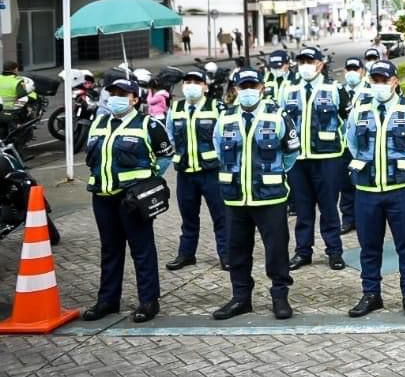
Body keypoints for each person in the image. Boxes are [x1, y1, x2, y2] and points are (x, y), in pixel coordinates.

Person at [81, 78, 175, 323]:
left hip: (132, 199)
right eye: (113, 93)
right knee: (110, 249)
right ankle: (108, 300)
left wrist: (148, 185)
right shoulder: (99, 123)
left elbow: (166, 156)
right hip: (102, 196)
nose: (116, 98)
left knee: (142, 250)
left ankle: (148, 301)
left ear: (135, 98)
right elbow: (92, 156)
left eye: (123, 93)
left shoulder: (149, 125)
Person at [211, 68, 300, 320]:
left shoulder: (278, 116)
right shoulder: (225, 118)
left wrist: (275, 172)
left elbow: (291, 152)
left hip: (270, 196)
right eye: (243, 86)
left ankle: (280, 296)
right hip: (236, 196)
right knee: (237, 250)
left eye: (253, 86)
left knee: (276, 250)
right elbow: (220, 150)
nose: (248, 91)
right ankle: (241, 298)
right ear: (236, 90)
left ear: (261, 87)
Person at [346, 61, 405, 318]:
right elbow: (350, 142)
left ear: (395, 81)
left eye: (384, 80)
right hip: (367, 190)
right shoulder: (358, 110)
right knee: (369, 246)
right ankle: (371, 294)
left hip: (402, 189)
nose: (379, 85)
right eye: (375, 80)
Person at [279, 46, 350, 271]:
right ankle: (303, 252)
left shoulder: (336, 89)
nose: (305, 66)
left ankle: (334, 252)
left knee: (329, 207)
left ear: (320, 64)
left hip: (328, 158)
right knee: (302, 208)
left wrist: (344, 147)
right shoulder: (287, 89)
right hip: (298, 159)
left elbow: (350, 121)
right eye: (301, 61)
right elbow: (279, 122)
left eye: (309, 61)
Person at [164, 69, 228, 272]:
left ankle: (226, 255)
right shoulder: (176, 108)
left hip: (212, 172)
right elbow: (170, 136)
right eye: (188, 81)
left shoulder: (216, 107)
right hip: (186, 173)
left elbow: (226, 138)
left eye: (196, 82)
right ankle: (186, 254)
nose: (191, 85)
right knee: (188, 217)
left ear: (205, 87)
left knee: (221, 217)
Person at [337, 56, 370, 234]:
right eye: (348, 69)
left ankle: (364, 217)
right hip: (342, 146)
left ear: (362, 71)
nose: (351, 73)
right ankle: (348, 219)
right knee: (345, 185)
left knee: (362, 182)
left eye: (355, 69)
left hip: (363, 146)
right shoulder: (338, 90)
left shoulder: (370, 91)